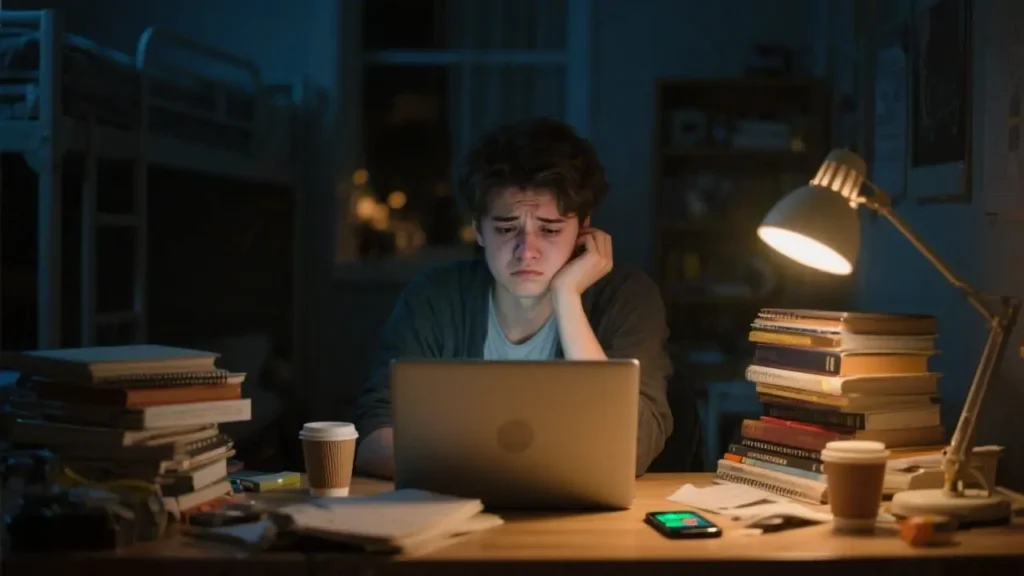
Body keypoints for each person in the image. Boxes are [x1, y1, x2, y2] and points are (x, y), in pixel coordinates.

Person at [352, 117, 674, 479]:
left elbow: (630, 447)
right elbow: (374, 436)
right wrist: (503, 474)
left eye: (549, 230)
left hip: (577, 511)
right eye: (506, 229)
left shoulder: (628, 298)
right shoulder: (434, 296)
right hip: (458, 506)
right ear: (478, 229)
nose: (526, 251)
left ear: (583, 228)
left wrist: (567, 297)